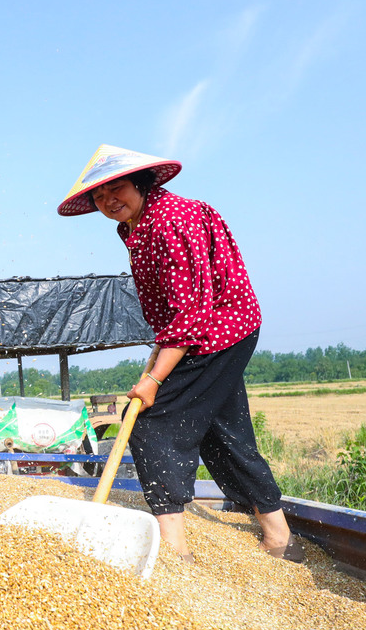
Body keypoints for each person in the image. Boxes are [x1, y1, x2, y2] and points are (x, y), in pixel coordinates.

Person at [57, 144, 303, 563]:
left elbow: (191, 311)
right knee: (223, 431)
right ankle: (280, 538)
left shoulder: (172, 219)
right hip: (210, 328)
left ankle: (173, 550)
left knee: (153, 422)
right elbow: (179, 302)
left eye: (116, 188)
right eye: (99, 197)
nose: (108, 201)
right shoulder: (134, 226)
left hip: (218, 330)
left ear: (140, 183)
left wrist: (152, 381)